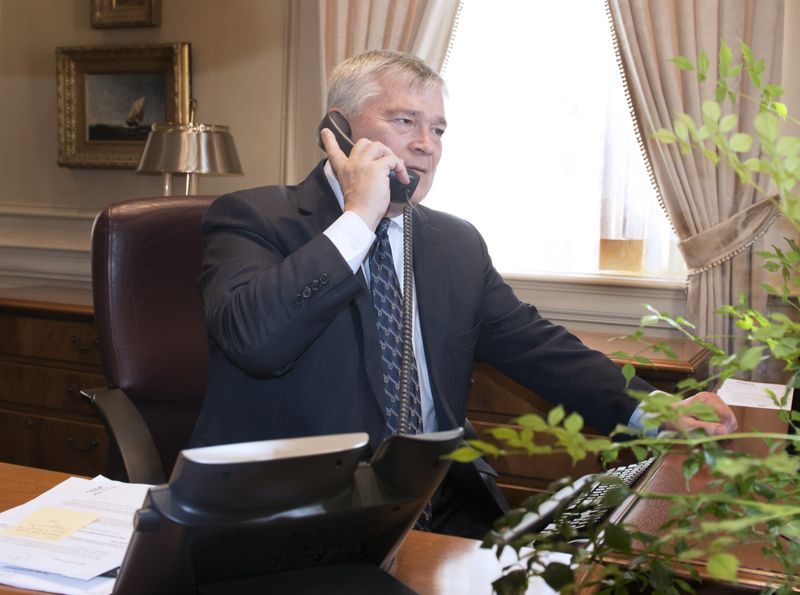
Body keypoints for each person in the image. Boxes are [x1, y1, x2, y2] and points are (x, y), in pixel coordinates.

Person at [190, 49, 736, 538]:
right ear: (338, 128)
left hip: (437, 504)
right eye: (405, 121)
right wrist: (359, 216)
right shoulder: (254, 217)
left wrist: (655, 408)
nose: (426, 145)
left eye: (439, 129)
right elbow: (257, 340)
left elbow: (536, 346)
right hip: (295, 517)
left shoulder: (454, 243)